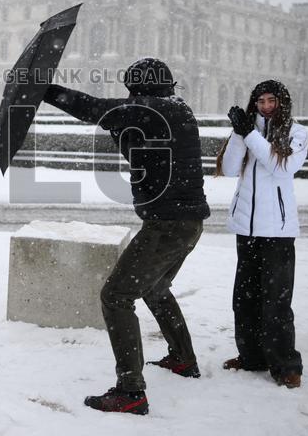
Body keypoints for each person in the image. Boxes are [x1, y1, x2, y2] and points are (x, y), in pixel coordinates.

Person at [43, 58, 210, 415]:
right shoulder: (176, 108)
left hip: (167, 225)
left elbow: (93, 109)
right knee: (154, 287)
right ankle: (183, 358)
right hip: (187, 222)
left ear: (141, 89)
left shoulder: (151, 108)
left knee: (116, 296)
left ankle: (131, 390)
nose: (130, 96)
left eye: (132, 89)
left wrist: (45, 89)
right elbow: (142, 147)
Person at [217, 79, 308, 388]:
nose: (266, 106)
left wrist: (249, 133)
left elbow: (280, 167)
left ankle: (285, 365)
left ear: (281, 102)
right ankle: (252, 355)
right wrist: (238, 134)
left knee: (276, 302)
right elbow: (229, 169)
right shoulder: (247, 130)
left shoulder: (296, 133)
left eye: (271, 101)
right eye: (260, 101)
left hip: (278, 232)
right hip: (246, 229)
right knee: (244, 299)